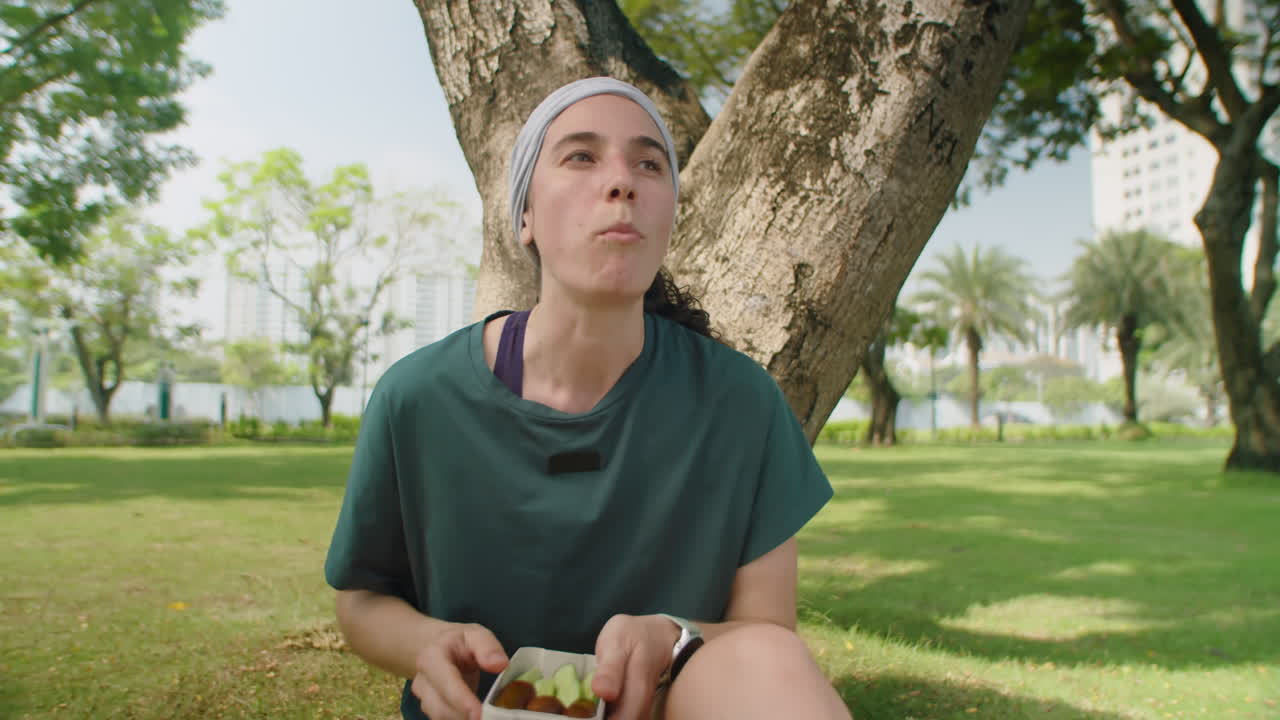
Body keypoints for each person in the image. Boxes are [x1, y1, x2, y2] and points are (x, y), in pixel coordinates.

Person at [324, 77, 854, 720]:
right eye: (581, 155)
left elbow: (767, 639)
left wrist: (672, 637)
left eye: (649, 163)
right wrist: (428, 644)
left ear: (669, 214)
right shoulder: (417, 398)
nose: (622, 182)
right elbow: (361, 600)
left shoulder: (741, 402)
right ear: (524, 215)